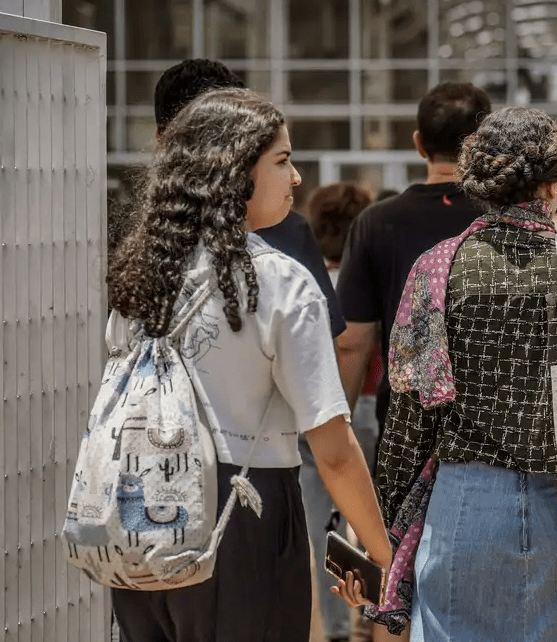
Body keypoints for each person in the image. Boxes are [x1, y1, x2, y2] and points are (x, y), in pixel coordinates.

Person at [342, 108, 557, 642]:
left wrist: (384, 530)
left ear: (480, 182)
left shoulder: (439, 268)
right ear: (553, 182)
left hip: (465, 502)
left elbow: (409, 421)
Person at [106, 88, 392, 642]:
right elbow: (333, 451)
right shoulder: (281, 283)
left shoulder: (140, 276)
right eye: (282, 161)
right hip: (244, 511)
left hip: (139, 509)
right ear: (234, 172)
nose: (297, 178)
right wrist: (385, 556)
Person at [153, 58, 346, 339]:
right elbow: (321, 346)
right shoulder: (283, 240)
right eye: (281, 161)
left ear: (161, 140)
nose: (295, 178)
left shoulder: (137, 247)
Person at [335, 82, 491, 430]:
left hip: (406, 429)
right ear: (482, 146)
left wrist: (342, 435)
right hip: (494, 431)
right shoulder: (504, 219)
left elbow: (353, 342)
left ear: (419, 143)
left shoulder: (377, 222)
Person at [301, 181, 377, 642]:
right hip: (368, 411)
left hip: (313, 419)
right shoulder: (364, 284)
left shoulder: (303, 282)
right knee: (375, 524)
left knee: (323, 533)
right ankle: (375, 611)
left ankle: (335, 630)